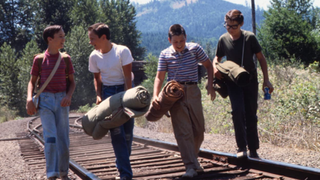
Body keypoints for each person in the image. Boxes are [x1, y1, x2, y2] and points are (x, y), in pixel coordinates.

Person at [152, 24, 215, 178]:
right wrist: (155, 95)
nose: (179, 44)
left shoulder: (195, 49)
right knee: (183, 132)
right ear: (169, 40)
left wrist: (210, 85)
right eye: (175, 42)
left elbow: (208, 65)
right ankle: (190, 167)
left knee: (199, 130)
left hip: (193, 91)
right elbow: (159, 77)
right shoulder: (165, 54)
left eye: (181, 41)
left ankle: (192, 160)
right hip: (175, 94)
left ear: (185, 38)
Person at [213, 9, 274, 159]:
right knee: (237, 112)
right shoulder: (223, 39)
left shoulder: (249, 38)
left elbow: (261, 59)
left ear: (241, 24)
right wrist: (215, 68)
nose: (230, 29)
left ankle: (253, 150)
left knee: (251, 115)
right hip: (233, 83)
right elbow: (217, 58)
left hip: (251, 81)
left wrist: (266, 80)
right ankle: (241, 148)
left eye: (234, 26)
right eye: (227, 26)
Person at [26, 25, 76, 180]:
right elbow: (32, 82)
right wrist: (29, 98)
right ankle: (52, 174)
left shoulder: (66, 59)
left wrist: (68, 96)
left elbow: (73, 83)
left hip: (62, 101)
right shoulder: (39, 60)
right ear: (50, 39)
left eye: (63, 36)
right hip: (46, 101)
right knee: (51, 137)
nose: (63, 39)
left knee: (63, 139)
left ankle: (63, 173)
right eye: (60, 36)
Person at [88, 23, 134, 180]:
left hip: (125, 91)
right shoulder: (94, 56)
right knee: (116, 134)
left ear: (103, 37)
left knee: (127, 133)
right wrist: (98, 95)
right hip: (108, 94)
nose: (90, 42)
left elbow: (127, 77)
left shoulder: (122, 51)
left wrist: (129, 98)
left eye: (92, 39)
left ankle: (121, 163)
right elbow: (97, 78)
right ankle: (125, 175)